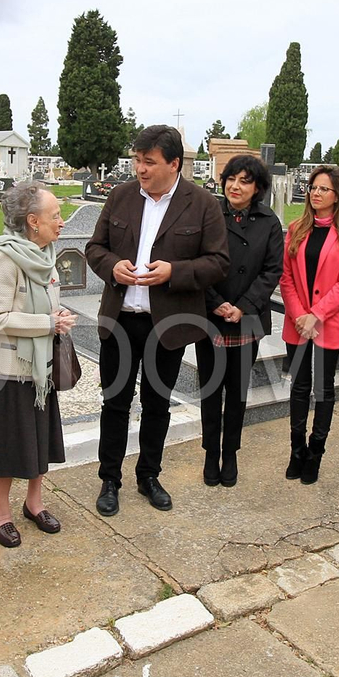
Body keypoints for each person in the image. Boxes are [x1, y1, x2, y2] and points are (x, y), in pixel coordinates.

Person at [85, 125, 228, 515]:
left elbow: (218, 262)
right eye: (137, 160)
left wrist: (173, 273)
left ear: (174, 164)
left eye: (149, 162)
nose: (140, 169)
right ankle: (109, 479)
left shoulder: (202, 204)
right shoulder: (121, 196)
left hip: (168, 325)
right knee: (115, 402)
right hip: (120, 320)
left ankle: (149, 475)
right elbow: (94, 247)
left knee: (157, 403)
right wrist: (113, 267)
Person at [0, 182, 75, 546]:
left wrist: (55, 316)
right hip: (11, 369)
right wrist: (47, 323)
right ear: (32, 221)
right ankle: (0, 512)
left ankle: (35, 503)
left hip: (41, 367)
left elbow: (46, 306)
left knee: (40, 437)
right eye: (55, 216)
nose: (61, 222)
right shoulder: (4, 257)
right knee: (8, 444)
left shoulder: (44, 256)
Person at [196, 154, 284, 488]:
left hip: (247, 318)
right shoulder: (209, 214)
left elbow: (272, 269)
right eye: (231, 178)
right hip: (211, 315)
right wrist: (217, 304)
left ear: (258, 188)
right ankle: (209, 452)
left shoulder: (269, 221)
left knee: (237, 392)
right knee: (210, 389)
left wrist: (243, 306)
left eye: (245, 180)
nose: (236, 186)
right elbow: (197, 260)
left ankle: (230, 452)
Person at [279, 165, 339, 485]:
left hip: (327, 322)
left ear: (337, 194)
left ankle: (315, 452)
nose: (315, 193)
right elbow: (286, 278)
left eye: (323, 189)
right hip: (297, 322)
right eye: (313, 187)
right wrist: (300, 314)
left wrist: (316, 314)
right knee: (299, 386)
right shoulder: (296, 227)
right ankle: (296, 450)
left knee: (323, 389)